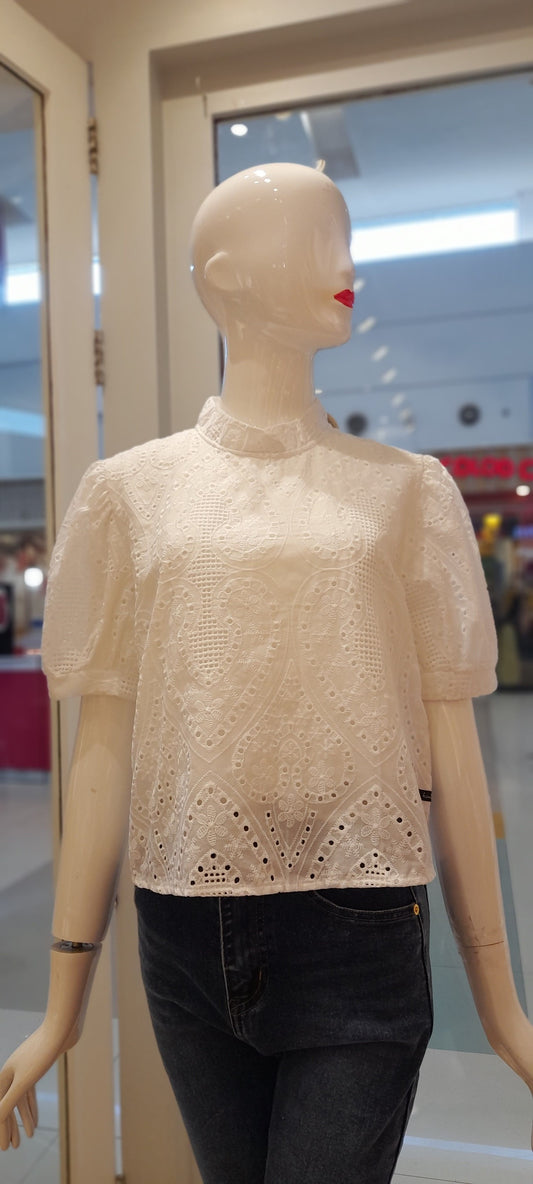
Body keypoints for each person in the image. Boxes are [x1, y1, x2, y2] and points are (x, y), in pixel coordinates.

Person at [1, 163, 532, 1183]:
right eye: (318, 239)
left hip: (359, 925)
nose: (348, 266)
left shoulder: (406, 493)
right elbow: (103, 744)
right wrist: (63, 1006)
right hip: (180, 928)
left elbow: (449, 736)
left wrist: (501, 1006)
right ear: (225, 275)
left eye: (348, 239)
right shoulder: (128, 493)